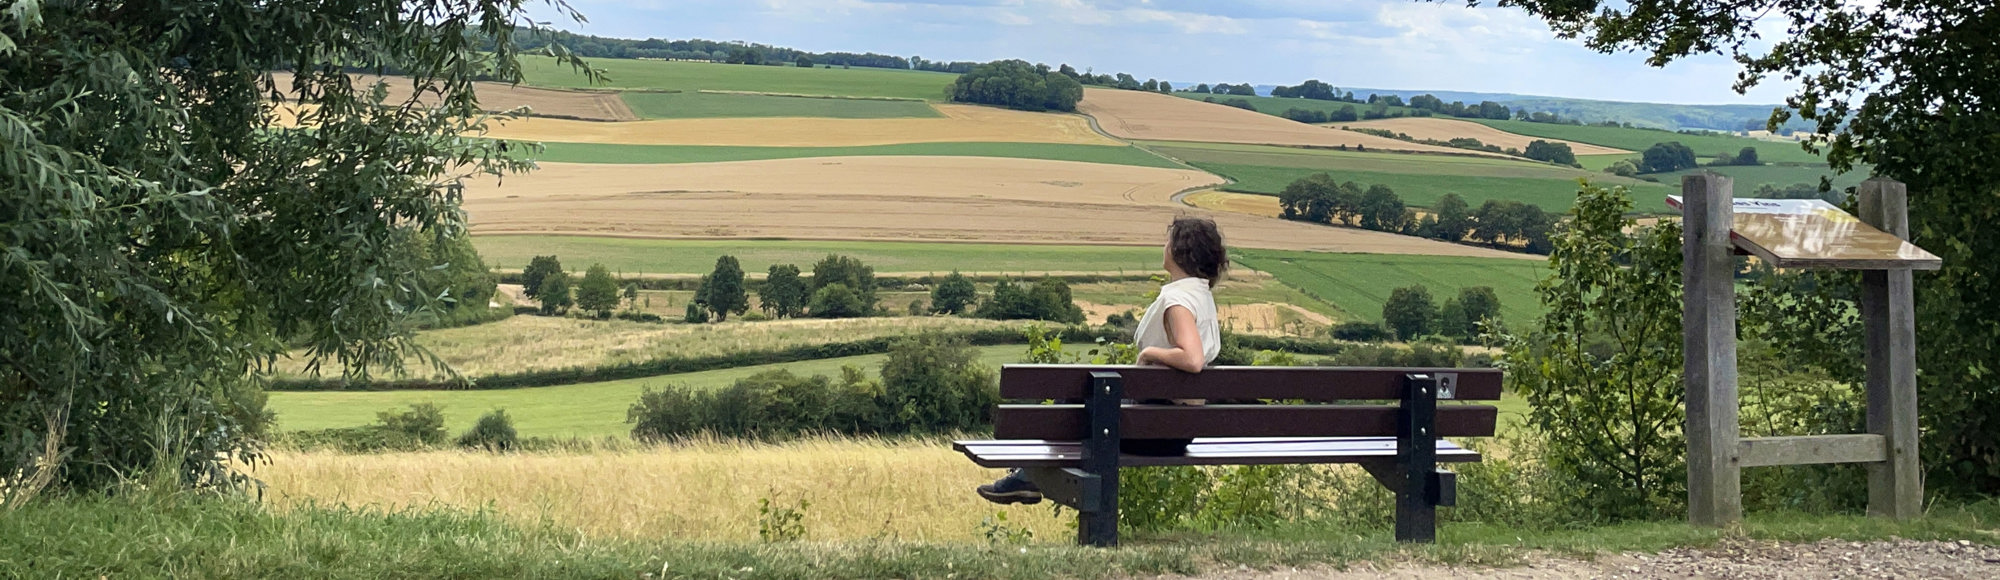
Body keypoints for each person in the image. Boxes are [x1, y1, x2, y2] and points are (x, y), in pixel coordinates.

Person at [977, 216, 1228, 505]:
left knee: (1072, 401)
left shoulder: (1179, 301)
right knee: (1079, 403)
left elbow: (1193, 359)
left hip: (1156, 429)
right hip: (1178, 428)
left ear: (1180, 251)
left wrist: (1149, 354)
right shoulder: (1201, 295)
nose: (1164, 246)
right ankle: (1027, 476)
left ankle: (1027, 477)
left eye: (1168, 240)